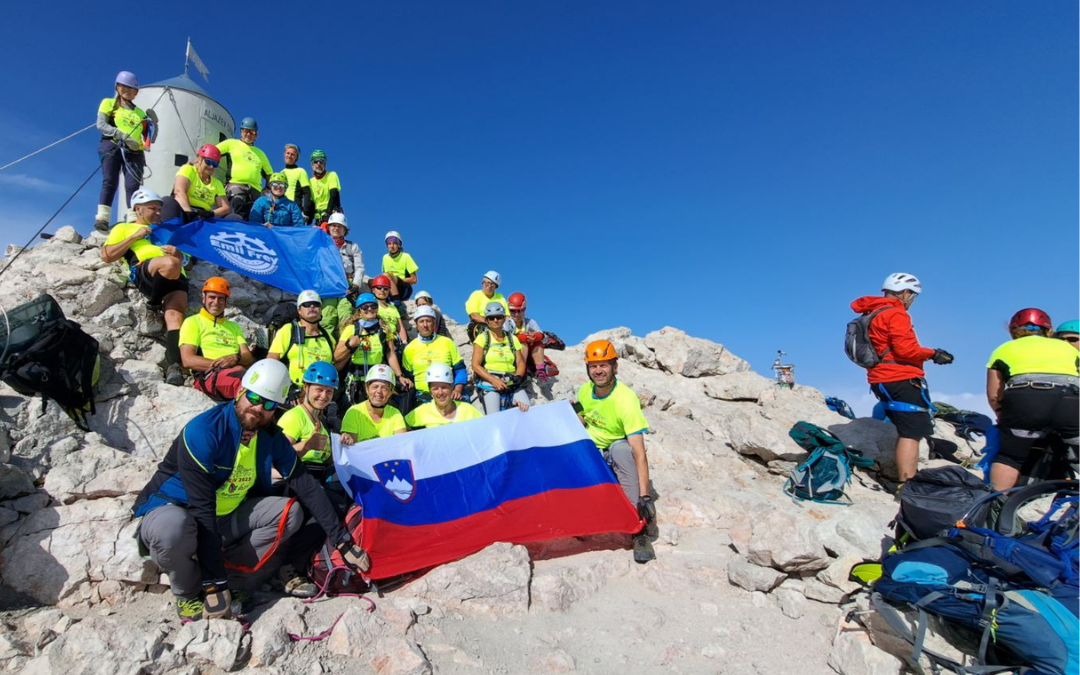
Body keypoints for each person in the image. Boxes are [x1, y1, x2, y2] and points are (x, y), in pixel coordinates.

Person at [132, 360, 370, 620]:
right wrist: (214, 584)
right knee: (172, 529)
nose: (259, 408)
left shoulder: (269, 436)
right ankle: (189, 593)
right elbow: (202, 508)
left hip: (225, 516)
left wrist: (342, 541)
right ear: (240, 392)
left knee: (290, 513)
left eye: (269, 404)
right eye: (254, 398)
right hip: (178, 508)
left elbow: (306, 486)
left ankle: (231, 579)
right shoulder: (204, 431)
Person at [850, 273, 953, 485]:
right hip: (901, 377)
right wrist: (934, 353)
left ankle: (903, 480)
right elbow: (906, 350)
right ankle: (908, 485)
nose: (912, 300)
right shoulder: (896, 314)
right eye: (912, 295)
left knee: (905, 428)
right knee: (911, 433)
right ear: (905, 293)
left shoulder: (873, 312)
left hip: (879, 378)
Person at [573, 339, 656, 564]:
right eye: (593, 366)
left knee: (621, 451)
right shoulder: (584, 391)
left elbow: (639, 451)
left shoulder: (626, 399)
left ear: (614, 367)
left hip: (616, 449)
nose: (598, 371)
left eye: (604, 365)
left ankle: (639, 528)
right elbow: (581, 421)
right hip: (595, 451)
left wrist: (645, 495)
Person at [100, 188, 189, 386]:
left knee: (176, 318)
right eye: (153, 209)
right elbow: (106, 255)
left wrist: (179, 255)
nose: (158, 213)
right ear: (138, 209)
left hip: (177, 277)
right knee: (169, 264)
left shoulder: (166, 231)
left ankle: (174, 366)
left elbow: (186, 263)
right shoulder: (123, 228)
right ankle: (154, 305)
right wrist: (135, 236)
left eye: (159, 209)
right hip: (147, 271)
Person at [985, 308, 1079, 490]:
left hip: (1025, 400)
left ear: (1013, 330)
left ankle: (993, 508)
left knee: (1010, 458)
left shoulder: (1002, 349)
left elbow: (994, 395)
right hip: (1070, 401)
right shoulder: (1068, 349)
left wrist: (1003, 415)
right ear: (1049, 331)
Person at [94, 70, 151, 232]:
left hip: (135, 151)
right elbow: (101, 125)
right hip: (113, 145)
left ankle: (134, 218)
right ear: (117, 87)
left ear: (136, 92)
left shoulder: (140, 113)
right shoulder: (108, 103)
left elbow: (148, 137)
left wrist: (154, 126)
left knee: (133, 186)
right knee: (110, 180)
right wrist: (123, 136)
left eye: (131, 88)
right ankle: (103, 218)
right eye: (123, 86)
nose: (127, 90)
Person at [180, 277, 254, 400]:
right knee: (248, 385)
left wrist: (236, 358)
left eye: (221, 298)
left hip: (236, 372)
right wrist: (223, 365)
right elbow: (188, 360)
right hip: (208, 375)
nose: (216, 302)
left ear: (226, 301)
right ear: (203, 298)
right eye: (212, 297)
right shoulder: (193, 322)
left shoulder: (233, 327)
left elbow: (247, 357)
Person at [333, 293, 411, 406]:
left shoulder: (384, 329)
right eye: (365, 307)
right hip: (357, 381)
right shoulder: (352, 329)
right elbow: (336, 356)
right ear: (359, 310)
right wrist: (349, 345)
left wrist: (400, 376)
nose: (369, 309)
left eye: (373, 306)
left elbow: (390, 354)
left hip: (378, 379)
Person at [267, 291, 336, 393]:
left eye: (316, 304)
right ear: (299, 310)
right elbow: (272, 360)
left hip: (322, 393)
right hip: (295, 392)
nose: (312, 307)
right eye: (307, 304)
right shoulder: (289, 330)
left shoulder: (327, 336)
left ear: (321, 310)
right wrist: (286, 386)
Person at [472, 302, 529, 414]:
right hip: (490, 382)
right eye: (492, 318)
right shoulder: (482, 338)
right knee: (495, 416)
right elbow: (475, 365)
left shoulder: (512, 339)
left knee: (527, 410)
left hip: (511, 381)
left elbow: (521, 363)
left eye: (499, 317)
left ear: (504, 319)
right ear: (487, 320)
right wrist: (493, 380)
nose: (496, 320)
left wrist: (517, 377)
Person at [402, 306, 467, 405]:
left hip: (448, 395)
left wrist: (458, 390)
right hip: (422, 398)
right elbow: (408, 377)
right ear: (416, 324)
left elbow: (460, 369)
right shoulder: (409, 348)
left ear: (434, 323)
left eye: (428, 321)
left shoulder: (447, 342)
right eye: (421, 321)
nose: (425, 325)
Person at [216, 118, 273, 220]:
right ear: (241, 132)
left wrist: (267, 188)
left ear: (256, 135)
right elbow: (212, 151)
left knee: (256, 216)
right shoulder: (231, 143)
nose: (248, 134)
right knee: (238, 207)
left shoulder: (260, 153)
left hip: (255, 190)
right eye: (246, 131)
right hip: (236, 185)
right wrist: (198, 160)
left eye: (252, 132)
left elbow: (269, 174)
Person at [320, 213, 364, 339]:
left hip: (347, 286)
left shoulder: (353, 247)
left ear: (345, 230)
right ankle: (328, 349)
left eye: (340, 226)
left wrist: (356, 285)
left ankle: (344, 350)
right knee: (327, 317)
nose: (336, 228)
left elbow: (359, 267)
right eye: (333, 225)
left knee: (345, 317)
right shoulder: (323, 246)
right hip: (329, 286)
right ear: (328, 227)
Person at [161, 144, 231, 223]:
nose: (211, 166)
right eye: (208, 162)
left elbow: (225, 207)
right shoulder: (189, 170)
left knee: (233, 217)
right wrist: (189, 213)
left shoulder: (217, 183)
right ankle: (168, 231)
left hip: (204, 215)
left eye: (215, 164)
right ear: (200, 159)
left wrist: (211, 214)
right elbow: (179, 191)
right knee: (167, 202)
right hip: (184, 210)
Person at [340, 364, 408, 445]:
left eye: (384, 388)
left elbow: (402, 443)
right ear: (367, 389)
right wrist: (347, 438)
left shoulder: (395, 414)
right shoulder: (354, 412)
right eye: (375, 387)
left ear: (390, 392)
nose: (379, 391)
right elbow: (350, 446)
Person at [405, 364, 483, 428]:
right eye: (435, 389)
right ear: (430, 391)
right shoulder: (423, 411)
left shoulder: (468, 410)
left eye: (444, 387)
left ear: (451, 387)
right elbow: (403, 426)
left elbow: (483, 428)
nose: (440, 392)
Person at [506, 292, 550, 382]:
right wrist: (518, 337)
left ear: (524, 309)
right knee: (523, 344)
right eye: (513, 311)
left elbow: (546, 340)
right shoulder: (506, 323)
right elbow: (503, 339)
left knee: (538, 342)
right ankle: (522, 370)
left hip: (530, 356)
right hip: (513, 355)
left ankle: (540, 371)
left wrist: (538, 336)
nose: (516, 314)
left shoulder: (530, 322)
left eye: (520, 311)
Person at [465, 271, 508, 341]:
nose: (489, 286)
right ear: (482, 283)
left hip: (499, 325)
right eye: (487, 283)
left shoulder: (500, 297)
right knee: (483, 330)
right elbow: (474, 315)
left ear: (496, 286)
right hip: (480, 325)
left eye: (492, 284)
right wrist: (491, 323)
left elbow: (507, 316)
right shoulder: (476, 295)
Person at [381, 230, 418, 308]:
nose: (391, 246)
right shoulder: (385, 257)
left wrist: (395, 279)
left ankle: (397, 303)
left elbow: (414, 279)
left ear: (399, 244)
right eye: (389, 243)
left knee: (387, 275)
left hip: (404, 289)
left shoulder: (406, 256)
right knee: (371, 281)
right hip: (389, 287)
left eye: (394, 243)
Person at [370, 275, 409, 346]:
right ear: (373, 290)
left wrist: (404, 342)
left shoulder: (393, 308)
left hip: (394, 341)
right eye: (379, 288)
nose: (382, 290)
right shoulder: (370, 306)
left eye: (386, 288)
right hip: (377, 341)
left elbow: (400, 328)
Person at [309, 150, 342, 224]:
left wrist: (328, 213)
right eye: (316, 161)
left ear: (325, 164)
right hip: (318, 219)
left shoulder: (331, 175)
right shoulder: (310, 181)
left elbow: (334, 195)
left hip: (331, 216)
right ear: (312, 165)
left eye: (321, 161)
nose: (319, 164)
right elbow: (311, 203)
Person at [281, 144, 312, 218]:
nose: (289, 156)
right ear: (284, 154)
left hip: (295, 210)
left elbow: (307, 192)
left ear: (296, 158)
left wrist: (306, 212)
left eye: (292, 154)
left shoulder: (300, 171)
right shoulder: (281, 173)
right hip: (281, 210)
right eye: (288, 153)